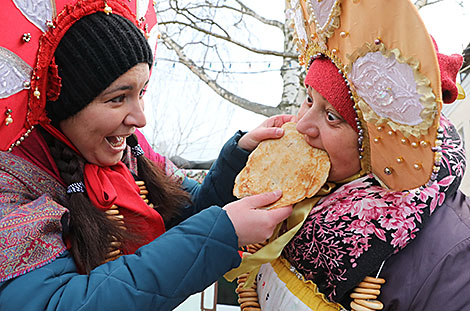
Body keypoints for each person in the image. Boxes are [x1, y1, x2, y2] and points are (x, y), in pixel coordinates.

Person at [0, 0, 293, 310]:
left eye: (141, 93)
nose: (140, 119)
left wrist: (239, 156)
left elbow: (191, 213)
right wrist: (219, 232)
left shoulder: (134, 156)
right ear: (64, 104)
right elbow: (59, 303)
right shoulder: (11, 184)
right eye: (117, 99)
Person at [225, 0, 470, 310]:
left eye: (331, 116)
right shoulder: (298, 192)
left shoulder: (456, 253)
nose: (302, 126)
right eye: (308, 99)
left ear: (380, 143)